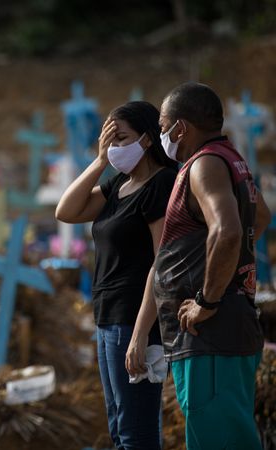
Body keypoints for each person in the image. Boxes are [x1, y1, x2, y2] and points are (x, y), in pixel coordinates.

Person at [128, 82, 271, 450]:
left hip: (212, 336)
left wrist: (208, 299)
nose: (161, 135)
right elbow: (261, 217)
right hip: (223, 331)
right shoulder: (229, 159)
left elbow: (227, 231)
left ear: (181, 128)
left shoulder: (205, 164)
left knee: (218, 440)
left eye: (162, 126)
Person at [56, 101, 178, 450]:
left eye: (121, 138)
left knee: (136, 433)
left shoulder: (161, 183)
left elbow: (161, 261)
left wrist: (142, 334)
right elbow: (66, 211)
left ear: (147, 139)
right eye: (108, 139)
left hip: (134, 321)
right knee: (117, 427)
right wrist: (98, 162)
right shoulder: (119, 186)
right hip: (107, 317)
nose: (114, 147)